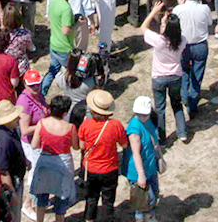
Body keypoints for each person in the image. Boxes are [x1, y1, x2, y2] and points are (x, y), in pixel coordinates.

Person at [140, 1, 188, 144]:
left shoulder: (158, 40)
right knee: (177, 104)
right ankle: (183, 132)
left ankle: (161, 138)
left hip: (159, 78)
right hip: (175, 77)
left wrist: (154, 12)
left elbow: (143, 27)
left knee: (160, 108)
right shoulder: (182, 40)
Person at [77, 90, 127, 222]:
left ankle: (89, 219)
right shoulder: (116, 125)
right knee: (108, 200)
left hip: (91, 169)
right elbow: (124, 144)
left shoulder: (85, 125)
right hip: (110, 169)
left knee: (91, 198)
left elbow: (82, 146)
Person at [30, 94, 78, 222]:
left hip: (45, 161)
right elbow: (76, 147)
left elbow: (34, 145)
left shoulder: (42, 123)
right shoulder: (70, 127)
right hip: (63, 164)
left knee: (41, 197)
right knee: (61, 198)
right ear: (65, 112)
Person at [123, 95, 160, 222]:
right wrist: (141, 175)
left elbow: (154, 141)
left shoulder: (149, 121)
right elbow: (136, 153)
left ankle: (150, 217)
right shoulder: (134, 128)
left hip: (150, 167)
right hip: (139, 172)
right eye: (139, 114)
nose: (142, 117)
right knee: (142, 202)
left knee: (153, 196)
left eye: (145, 114)